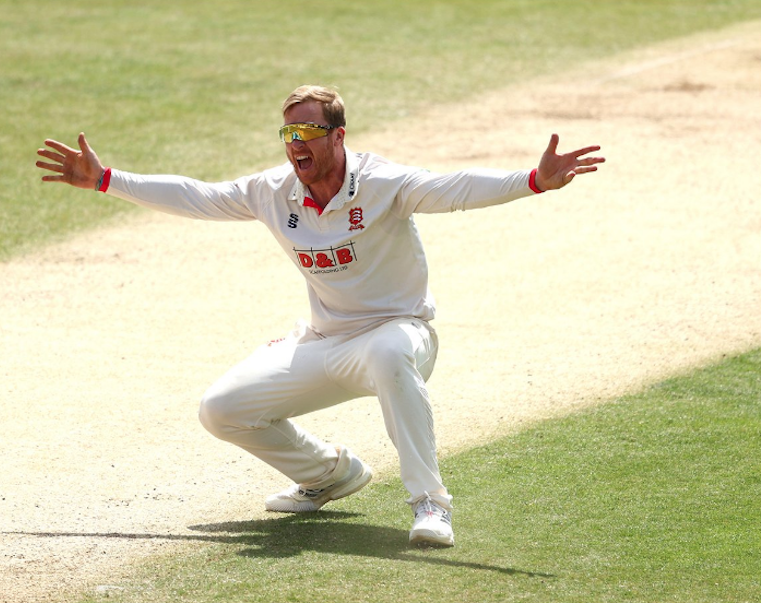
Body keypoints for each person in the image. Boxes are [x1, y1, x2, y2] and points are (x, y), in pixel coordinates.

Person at [36, 84, 604, 547]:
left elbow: (454, 188)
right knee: (221, 409)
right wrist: (107, 180)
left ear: (338, 136)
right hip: (325, 339)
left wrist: (533, 181)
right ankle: (328, 473)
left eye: (306, 131)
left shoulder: (383, 183)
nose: (294, 144)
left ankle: (430, 504)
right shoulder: (272, 191)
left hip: (399, 334)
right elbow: (198, 196)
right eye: (287, 133)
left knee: (387, 352)